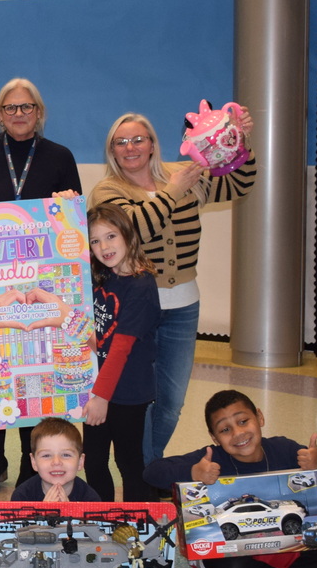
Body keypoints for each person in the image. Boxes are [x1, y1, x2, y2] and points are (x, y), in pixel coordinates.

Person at [90, 109, 255, 468]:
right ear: (112, 151)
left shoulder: (185, 175)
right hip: (133, 308)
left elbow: (239, 184)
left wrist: (237, 142)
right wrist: (171, 192)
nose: (130, 147)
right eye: (121, 142)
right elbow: (132, 231)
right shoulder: (108, 190)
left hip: (182, 305)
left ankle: (149, 465)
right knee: (135, 398)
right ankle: (144, 471)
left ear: (152, 144)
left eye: (138, 139)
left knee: (171, 400)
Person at [143, 390, 317, 568]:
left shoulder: (283, 449)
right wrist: (193, 471)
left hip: (281, 548)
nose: (238, 433)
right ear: (214, 437)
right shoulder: (211, 458)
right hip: (230, 555)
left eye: (243, 421)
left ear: (260, 418)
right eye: (225, 430)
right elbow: (152, 473)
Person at [0, 78, 83, 493]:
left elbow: (74, 218)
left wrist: (68, 204)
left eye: (27, 107)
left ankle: (26, 462)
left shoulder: (60, 156)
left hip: (40, 284)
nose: (18, 115)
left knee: (31, 370)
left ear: (39, 112)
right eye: (10, 108)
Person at [80, 202, 161, 501]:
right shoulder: (104, 277)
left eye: (111, 236)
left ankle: (139, 525)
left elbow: (120, 349)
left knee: (128, 463)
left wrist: (101, 398)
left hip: (127, 393)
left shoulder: (141, 285)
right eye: (95, 240)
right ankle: (103, 520)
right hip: (100, 388)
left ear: (128, 234)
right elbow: (100, 342)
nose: (104, 246)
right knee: (95, 460)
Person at [8, 417, 102, 502]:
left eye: (66, 455)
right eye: (46, 455)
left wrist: (71, 513)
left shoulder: (90, 500)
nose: (56, 462)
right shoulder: (22, 497)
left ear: (80, 462)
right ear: (34, 462)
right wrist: (43, 514)